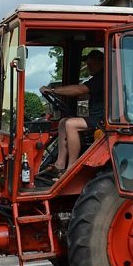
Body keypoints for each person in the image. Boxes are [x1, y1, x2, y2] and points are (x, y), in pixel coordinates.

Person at [39, 49, 105, 178]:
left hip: (104, 119)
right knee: (63, 122)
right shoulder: (97, 78)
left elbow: (81, 89)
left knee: (70, 124)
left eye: (91, 64)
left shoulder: (102, 77)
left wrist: (53, 90)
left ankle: (72, 167)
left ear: (100, 62)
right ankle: (60, 164)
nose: (89, 67)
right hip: (95, 116)